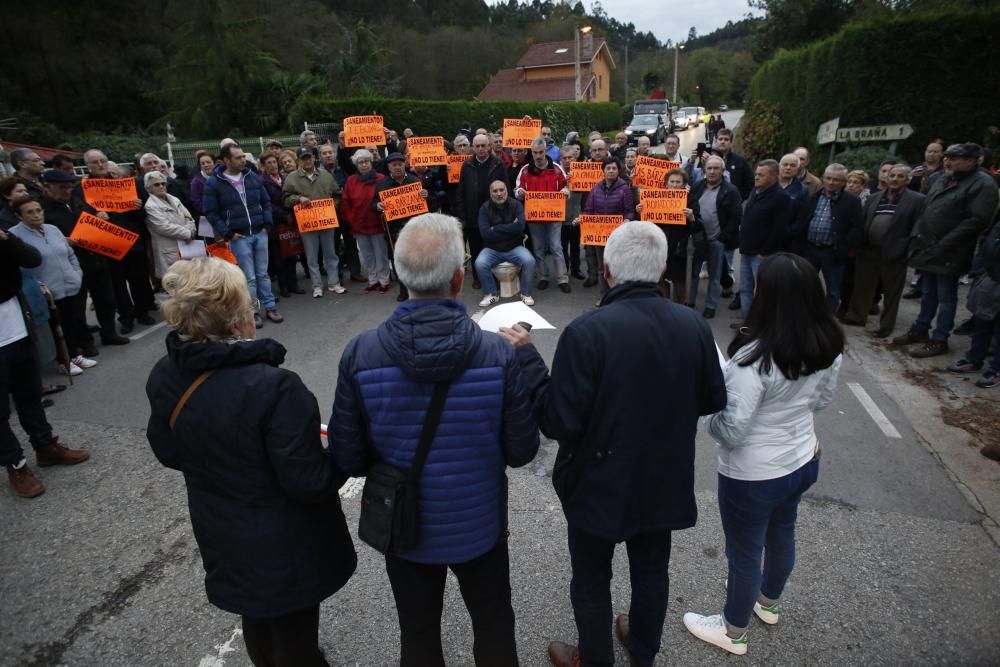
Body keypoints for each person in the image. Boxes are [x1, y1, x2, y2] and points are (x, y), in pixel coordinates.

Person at [501, 220, 726, 667]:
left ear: (606, 270)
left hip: (596, 479)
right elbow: (712, 399)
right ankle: (643, 650)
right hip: (663, 473)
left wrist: (526, 356)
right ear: (661, 267)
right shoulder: (693, 325)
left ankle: (596, 658)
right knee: (651, 571)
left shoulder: (588, 331)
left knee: (590, 578)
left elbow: (558, 421)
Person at [328, 213, 539, 667]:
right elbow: (523, 451)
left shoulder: (361, 354)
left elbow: (347, 455)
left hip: (405, 528)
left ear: (400, 275)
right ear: (460, 278)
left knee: (418, 635)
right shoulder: (497, 354)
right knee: (495, 628)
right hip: (479, 527)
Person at [145, 257, 355, 667]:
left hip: (221, 523)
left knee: (257, 617)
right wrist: (345, 451)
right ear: (238, 315)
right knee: (295, 638)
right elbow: (308, 480)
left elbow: (167, 449)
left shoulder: (167, 373)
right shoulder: (273, 386)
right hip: (283, 537)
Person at [684, 252, 843, 657]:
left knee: (744, 551)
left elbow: (731, 430)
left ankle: (732, 629)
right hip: (804, 455)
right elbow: (822, 402)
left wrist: (706, 411)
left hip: (753, 472)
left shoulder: (752, 358)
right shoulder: (828, 343)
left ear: (765, 298)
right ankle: (768, 602)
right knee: (782, 531)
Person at [1, 225, 90, 498]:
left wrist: (5, 238)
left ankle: (45, 446)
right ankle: (16, 464)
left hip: (16, 327)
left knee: (30, 395)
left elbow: (31, 258)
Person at [894, 143, 999, 358]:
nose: (948, 161)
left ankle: (940, 338)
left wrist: (944, 244)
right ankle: (921, 328)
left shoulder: (983, 184)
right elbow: (927, 209)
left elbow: (977, 220)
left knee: (946, 296)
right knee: (928, 292)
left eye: (955, 157)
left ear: (972, 160)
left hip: (951, 251)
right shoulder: (943, 178)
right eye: (948, 156)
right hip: (928, 247)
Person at [40, 169, 129, 349]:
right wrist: (63, 241)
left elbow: (92, 216)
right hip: (72, 264)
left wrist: (100, 217)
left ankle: (109, 333)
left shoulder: (77, 201)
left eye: (69, 187)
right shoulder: (42, 209)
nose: (66, 191)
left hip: (96, 258)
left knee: (106, 299)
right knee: (77, 307)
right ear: (47, 187)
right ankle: (86, 342)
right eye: (61, 187)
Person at [8, 195, 97, 375]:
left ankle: (74, 354)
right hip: (46, 291)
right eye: (30, 212)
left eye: (39, 211)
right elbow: (21, 266)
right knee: (56, 326)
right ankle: (63, 360)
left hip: (70, 285)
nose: (36, 215)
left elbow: (69, 253)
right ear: (19, 216)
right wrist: (38, 286)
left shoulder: (52, 229)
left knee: (72, 320)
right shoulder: (15, 236)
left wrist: (76, 273)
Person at [202, 143, 282, 329]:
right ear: (227, 160)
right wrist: (228, 233)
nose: (243, 160)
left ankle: (270, 307)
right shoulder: (214, 183)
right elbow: (211, 212)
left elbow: (266, 201)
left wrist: (267, 224)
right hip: (239, 237)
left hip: (259, 232)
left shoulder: (252, 176)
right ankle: (252, 312)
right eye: (238, 157)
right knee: (248, 277)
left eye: (243, 157)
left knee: (263, 274)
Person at [842, 164, 925, 337]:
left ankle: (886, 326)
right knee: (862, 286)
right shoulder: (875, 197)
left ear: (908, 180)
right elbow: (863, 220)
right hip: (868, 250)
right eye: (892, 175)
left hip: (895, 252)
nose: (894, 179)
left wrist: (907, 249)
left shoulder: (917, 200)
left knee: (891, 291)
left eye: (900, 176)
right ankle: (856, 316)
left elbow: (918, 226)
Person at [80, 148, 155, 335]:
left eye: (102, 160)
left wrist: (138, 206)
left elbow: (146, 210)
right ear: (87, 165)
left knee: (139, 279)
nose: (100, 165)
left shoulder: (126, 184)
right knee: (118, 284)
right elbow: (80, 214)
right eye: (95, 162)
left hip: (133, 240)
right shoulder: (84, 188)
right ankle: (126, 317)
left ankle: (143, 311)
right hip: (108, 243)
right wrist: (95, 215)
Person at [787, 163, 863, 313]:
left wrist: (844, 247)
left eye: (836, 179)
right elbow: (803, 220)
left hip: (832, 251)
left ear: (843, 182)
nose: (831, 182)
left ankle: (827, 320)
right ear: (823, 178)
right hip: (810, 249)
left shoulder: (852, 202)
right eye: (828, 178)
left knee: (833, 289)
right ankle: (803, 313)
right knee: (805, 284)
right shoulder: (813, 197)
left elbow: (857, 229)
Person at [282, 147, 346, 299]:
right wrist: (298, 199)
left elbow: (337, 194)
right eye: (303, 158)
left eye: (309, 157)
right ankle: (317, 286)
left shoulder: (325, 175)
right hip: (307, 223)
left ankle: (334, 282)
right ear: (298, 161)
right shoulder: (291, 178)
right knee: (312, 257)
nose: (307, 160)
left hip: (326, 221)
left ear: (314, 158)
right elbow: (285, 198)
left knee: (331, 254)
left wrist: (333, 206)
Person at [737, 160, 793, 322]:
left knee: (762, 292)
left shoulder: (781, 198)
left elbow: (779, 229)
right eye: (756, 174)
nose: (756, 177)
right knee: (746, 289)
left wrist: (766, 252)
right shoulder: (755, 192)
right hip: (747, 250)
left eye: (761, 175)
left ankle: (761, 325)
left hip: (762, 255)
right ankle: (747, 322)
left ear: (774, 176)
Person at [948, 216, 1000, 389]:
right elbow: (986, 244)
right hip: (990, 278)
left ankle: (996, 370)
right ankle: (974, 359)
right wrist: (978, 270)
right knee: (982, 321)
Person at [515, 137, 571, 294]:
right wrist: (520, 193)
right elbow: (517, 189)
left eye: (540, 152)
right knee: (538, 248)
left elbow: (567, 188)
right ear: (531, 152)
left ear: (545, 151)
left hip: (554, 215)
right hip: (535, 216)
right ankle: (543, 277)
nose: (538, 156)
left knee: (556, 246)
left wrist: (564, 193)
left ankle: (562, 278)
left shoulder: (557, 169)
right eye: (535, 152)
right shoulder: (525, 170)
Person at [690, 155, 742, 318]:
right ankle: (689, 302)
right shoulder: (697, 186)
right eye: (709, 168)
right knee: (693, 273)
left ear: (723, 170)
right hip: (698, 239)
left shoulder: (731, 191)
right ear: (704, 170)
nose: (712, 172)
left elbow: (736, 217)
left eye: (716, 168)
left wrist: (722, 238)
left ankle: (711, 306)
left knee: (715, 274)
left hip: (716, 240)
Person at [373, 153, 429, 302]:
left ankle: (418, 288)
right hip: (393, 230)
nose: (397, 167)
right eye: (394, 165)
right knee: (398, 259)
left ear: (404, 164)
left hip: (413, 228)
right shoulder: (382, 184)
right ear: (389, 167)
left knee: (416, 259)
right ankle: (404, 289)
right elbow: (374, 203)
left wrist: (426, 195)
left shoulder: (414, 180)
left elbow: (428, 205)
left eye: (400, 164)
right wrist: (377, 206)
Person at [579, 156, 635, 302]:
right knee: (602, 268)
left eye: (614, 168)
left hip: (618, 236)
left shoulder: (625, 189)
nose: (611, 171)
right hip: (600, 236)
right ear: (603, 171)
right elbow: (589, 210)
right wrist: (582, 219)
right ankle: (604, 296)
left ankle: (619, 297)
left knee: (618, 267)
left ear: (618, 171)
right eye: (608, 168)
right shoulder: (595, 189)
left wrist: (627, 220)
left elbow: (629, 211)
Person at [474, 180, 535, 307]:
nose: (499, 193)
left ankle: (525, 293)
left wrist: (495, 228)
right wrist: (510, 227)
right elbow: (485, 233)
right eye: (495, 191)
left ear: (506, 190)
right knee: (480, 263)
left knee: (529, 261)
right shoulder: (484, 208)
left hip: (514, 247)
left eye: (501, 190)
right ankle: (491, 294)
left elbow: (520, 227)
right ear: (490, 193)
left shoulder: (516, 205)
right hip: (492, 249)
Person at [458, 134, 507, 289]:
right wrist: (462, 216)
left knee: (493, 247)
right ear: (473, 147)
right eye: (477, 146)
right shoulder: (466, 165)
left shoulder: (498, 164)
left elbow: (507, 190)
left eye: (483, 145)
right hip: (473, 215)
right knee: (476, 248)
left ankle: (495, 276)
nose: (480, 149)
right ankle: (478, 278)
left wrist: (506, 214)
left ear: (489, 146)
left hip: (494, 214)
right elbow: (461, 192)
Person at [340, 149, 389, 294]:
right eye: (360, 162)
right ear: (356, 164)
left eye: (366, 161)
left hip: (377, 223)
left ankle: (384, 280)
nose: (364, 165)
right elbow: (345, 202)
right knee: (367, 255)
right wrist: (351, 219)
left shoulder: (380, 178)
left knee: (381, 253)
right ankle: (373, 279)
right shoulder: (351, 180)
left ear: (371, 162)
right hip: (359, 225)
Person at [258, 150, 303, 298]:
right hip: (275, 223)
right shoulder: (262, 181)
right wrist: (284, 215)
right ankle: (283, 285)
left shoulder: (284, 178)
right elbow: (267, 203)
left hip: (289, 221)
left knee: (291, 252)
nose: (273, 165)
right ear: (263, 166)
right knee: (279, 256)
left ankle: (293, 283)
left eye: (274, 162)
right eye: (269, 163)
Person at [143, 171, 196, 280]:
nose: (161, 186)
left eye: (163, 183)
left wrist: (191, 229)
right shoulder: (150, 206)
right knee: (175, 283)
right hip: (169, 250)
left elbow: (189, 217)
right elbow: (164, 227)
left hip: (187, 246)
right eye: (156, 184)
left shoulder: (174, 199)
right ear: (149, 188)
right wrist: (188, 233)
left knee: (192, 280)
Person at [560, 147, 584, 280]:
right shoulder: (557, 173)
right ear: (561, 159)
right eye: (565, 158)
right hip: (561, 217)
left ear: (575, 158)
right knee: (562, 247)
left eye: (570, 157)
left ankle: (576, 269)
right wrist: (566, 182)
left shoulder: (582, 173)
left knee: (575, 246)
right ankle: (565, 270)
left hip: (576, 216)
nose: (568, 160)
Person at [714, 129, 754, 200]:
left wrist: (740, 198)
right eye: (720, 139)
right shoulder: (709, 160)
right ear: (716, 141)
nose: (723, 142)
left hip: (732, 204)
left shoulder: (739, 161)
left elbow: (750, 181)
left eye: (726, 139)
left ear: (731, 143)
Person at [188, 150, 216, 221]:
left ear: (214, 163)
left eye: (208, 162)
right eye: (203, 163)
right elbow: (197, 202)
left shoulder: (221, 177)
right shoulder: (196, 182)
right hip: (207, 217)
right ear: (200, 166)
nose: (206, 165)